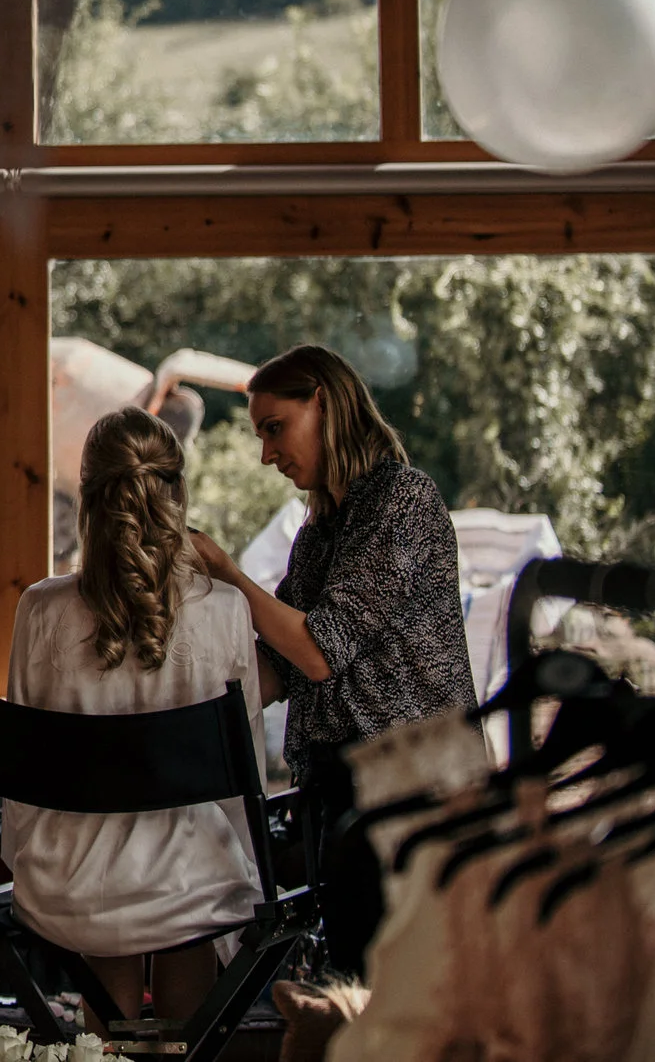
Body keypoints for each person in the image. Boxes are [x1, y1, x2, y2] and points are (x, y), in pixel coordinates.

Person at [188, 343, 475, 979]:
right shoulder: (319, 534)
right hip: (344, 782)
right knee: (353, 975)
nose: (266, 454)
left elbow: (319, 650)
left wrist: (227, 573)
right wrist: (167, 707)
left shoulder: (403, 501)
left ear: (322, 402)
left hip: (416, 781)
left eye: (274, 428)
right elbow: (277, 664)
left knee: (407, 986)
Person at [5, 407, 265, 1032]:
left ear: (90, 501)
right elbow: (244, 773)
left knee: (117, 908)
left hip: (72, 882)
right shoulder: (226, 610)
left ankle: (105, 1045)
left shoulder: (40, 609)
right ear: (176, 493)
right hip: (192, 887)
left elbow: (20, 770)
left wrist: (27, 857)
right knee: (191, 889)